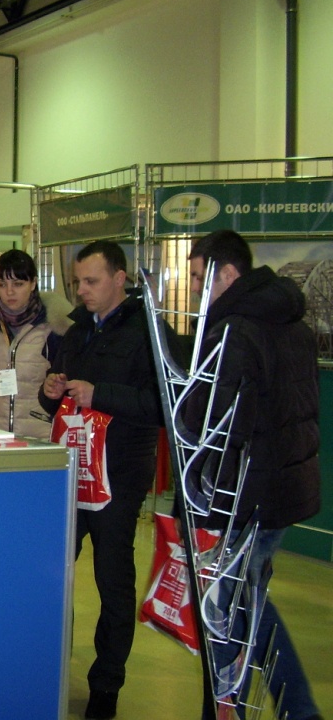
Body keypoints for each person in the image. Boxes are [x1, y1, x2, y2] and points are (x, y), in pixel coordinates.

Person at [185, 230, 322, 720]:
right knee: (248, 603)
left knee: (227, 612)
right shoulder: (292, 325)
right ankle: (293, 708)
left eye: (199, 276)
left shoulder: (235, 331)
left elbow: (216, 423)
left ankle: (267, 710)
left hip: (243, 497)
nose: (194, 287)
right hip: (281, 491)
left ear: (227, 274)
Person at [38, 240, 172, 720]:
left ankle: (106, 687)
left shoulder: (149, 332)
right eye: (78, 281)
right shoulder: (77, 331)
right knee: (51, 571)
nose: (82, 290)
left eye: (91, 281)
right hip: (73, 472)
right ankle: (45, 665)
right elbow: (58, 400)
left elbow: (164, 405)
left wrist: (102, 395)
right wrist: (51, 389)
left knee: (113, 582)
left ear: (120, 278)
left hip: (119, 478)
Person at [0, 250, 68, 437]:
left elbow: (60, 382)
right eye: (2, 284)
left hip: (38, 433)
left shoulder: (53, 327)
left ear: (33, 283)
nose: (9, 292)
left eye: (18, 284)